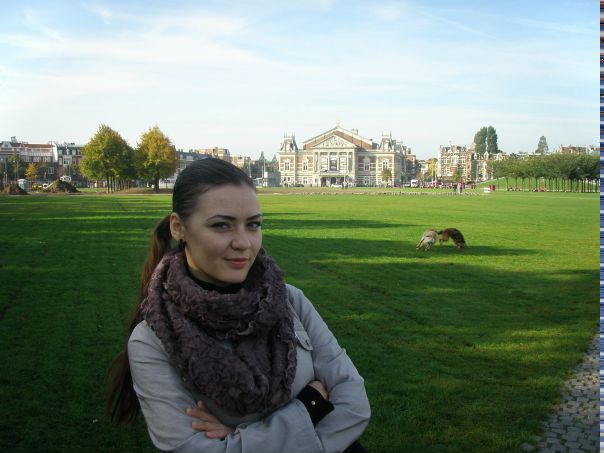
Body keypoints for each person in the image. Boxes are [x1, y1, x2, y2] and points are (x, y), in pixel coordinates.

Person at [105, 158, 371, 452]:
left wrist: (242, 437)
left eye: (253, 225)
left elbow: (354, 404)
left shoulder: (290, 300)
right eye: (221, 225)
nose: (243, 243)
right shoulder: (151, 341)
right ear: (178, 227)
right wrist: (311, 406)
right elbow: (190, 448)